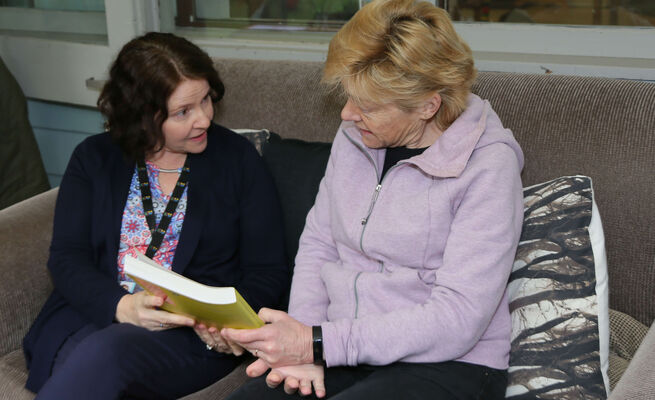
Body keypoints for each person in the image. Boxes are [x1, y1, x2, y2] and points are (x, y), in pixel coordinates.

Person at [223, 0, 524, 398]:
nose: (347, 114)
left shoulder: (488, 167)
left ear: (427, 106)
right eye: (348, 97)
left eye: (366, 105)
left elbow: (457, 317)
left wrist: (317, 342)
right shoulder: (355, 138)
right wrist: (304, 344)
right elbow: (319, 243)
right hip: (343, 348)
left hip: (449, 363)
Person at [22, 32, 289, 400]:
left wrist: (225, 325)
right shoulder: (94, 159)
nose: (204, 120)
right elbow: (67, 258)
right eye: (183, 112)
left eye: (206, 100)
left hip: (188, 335)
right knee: (81, 358)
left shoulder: (238, 161)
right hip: (93, 314)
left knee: (104, 356)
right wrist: (121, 307)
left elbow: (268, 270)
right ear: (143, 115)